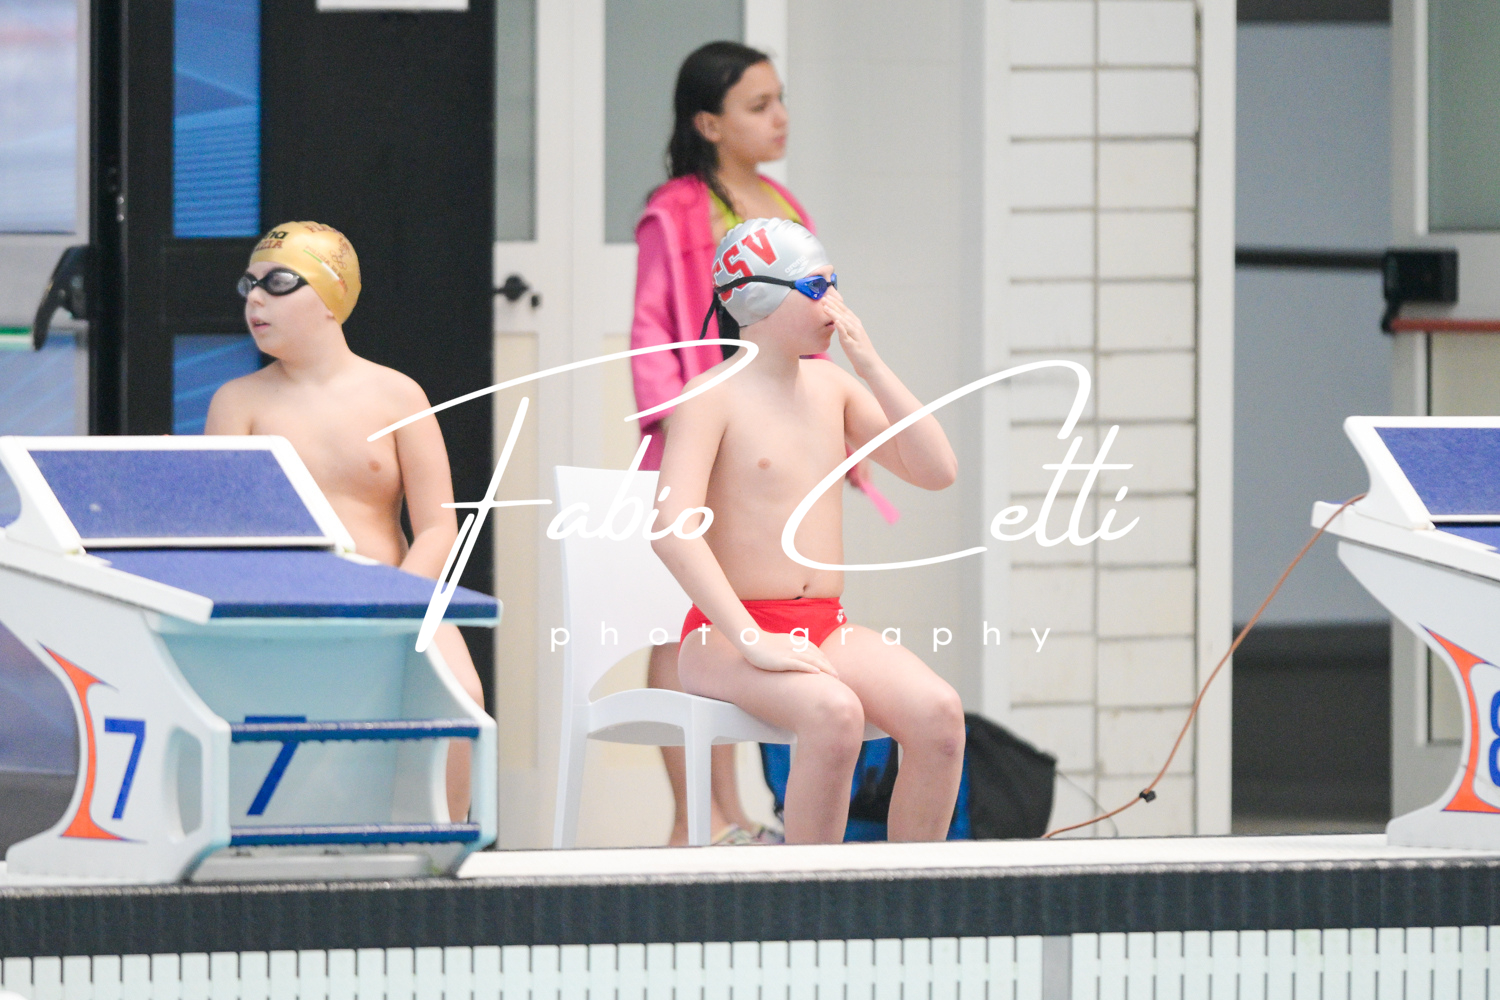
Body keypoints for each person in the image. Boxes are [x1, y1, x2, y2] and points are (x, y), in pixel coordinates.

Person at [650, 218, 966, 845]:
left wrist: (872, 366)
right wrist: (752, 639)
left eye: (835, 284)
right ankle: (806, 895)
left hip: (824, 626)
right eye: (818, 287)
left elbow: (937, 471)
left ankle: (906, 893)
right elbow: (670, 530)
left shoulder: (833, 388)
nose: (836, 304)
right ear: (756, 297)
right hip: (723, 637)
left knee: (939, 715)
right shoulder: (710, 396)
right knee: (834, 712)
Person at [204, 221, 486, 823]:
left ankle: (445, 846)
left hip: (398, 593)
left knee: (461, 695)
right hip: (286, 603)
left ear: (332, 298)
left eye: (279, 283)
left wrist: (398, 604)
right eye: (249, 285)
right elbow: (225, 534)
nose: (255, 300)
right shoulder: (238, 401)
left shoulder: (398, 396)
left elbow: (439, 527)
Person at [628, 41, 815, 845]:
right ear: (708, 123)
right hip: (702, 440)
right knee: (684, 622)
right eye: (758, 105)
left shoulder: (783, 203)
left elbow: (805, 320)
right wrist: (682, 423)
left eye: (780, 100)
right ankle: (695, 816)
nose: (780, 118)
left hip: (768, 449)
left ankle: (737, 813)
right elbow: (650, 328)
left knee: (749, 618)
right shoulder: (674, 209)